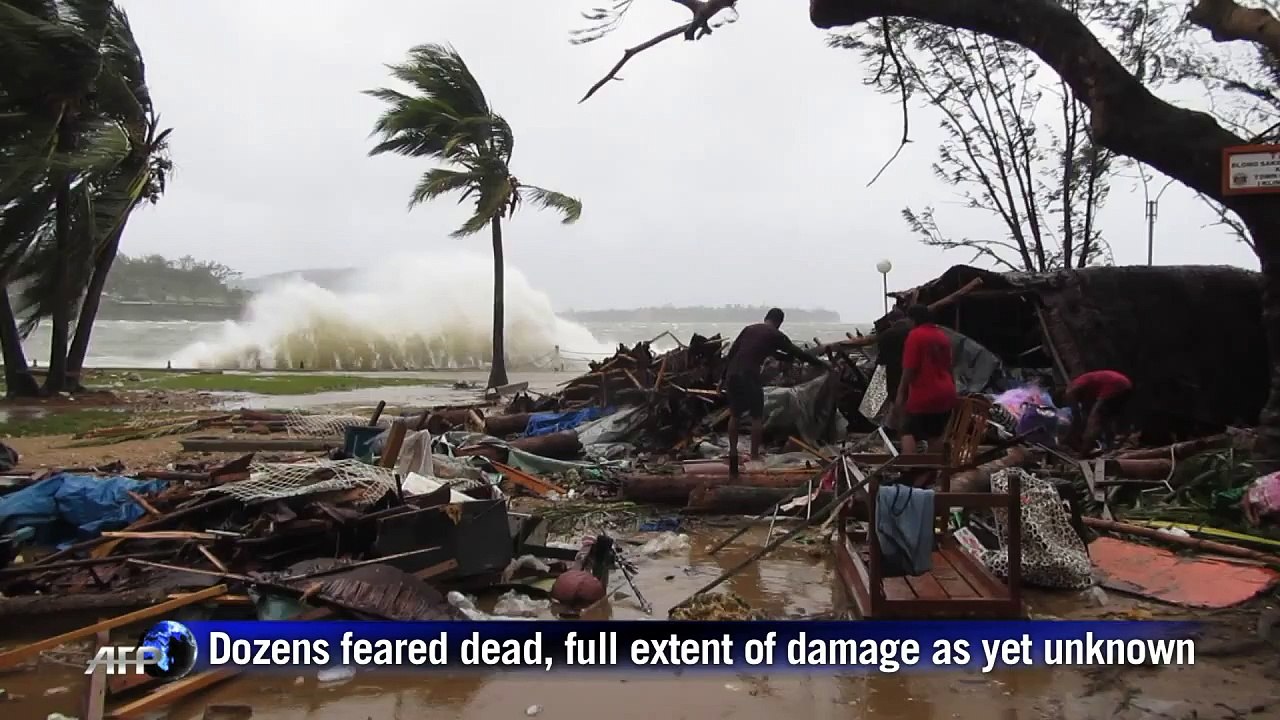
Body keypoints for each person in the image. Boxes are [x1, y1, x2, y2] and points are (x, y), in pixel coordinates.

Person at [721, 308, 830, 477]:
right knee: (757, 416)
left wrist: (722, 378)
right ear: (779, 322)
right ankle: (754, 457)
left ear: (766, 318)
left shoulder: (749, 329)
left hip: (732, 374)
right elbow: (797, 352)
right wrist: (820, 363)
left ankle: (733, 453)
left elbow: (733, 353)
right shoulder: (775, 334)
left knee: (735, 414)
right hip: (749, 374)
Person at [894, 304, 957, 455]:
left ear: (913, 319)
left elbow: (909, 368)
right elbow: (949, 367)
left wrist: (901, 394)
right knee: (934, 435)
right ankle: (932, 472)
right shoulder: (942, 336)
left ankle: (910, 469)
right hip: (946, 392)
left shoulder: (915, 335)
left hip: (924, 394)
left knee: (906, 430)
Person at [1064, 369, 1133, 455]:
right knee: (1107, 419)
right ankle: (1110, 448)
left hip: (1114, 385)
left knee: (1095, 418)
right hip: (1125, 384)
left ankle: (1084, 452)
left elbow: (1077, 418)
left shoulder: (1070, 391)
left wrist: (1072, 436)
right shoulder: (1084, 387)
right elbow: (1084, 412)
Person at [874, 309, 912, 434]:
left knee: (896, 400)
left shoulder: (886, 335)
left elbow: (881, 360)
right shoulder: (912, 332)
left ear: (891, 322)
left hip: (893, 372)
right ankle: (902, 429)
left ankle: (900, 431)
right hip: (912, 372)